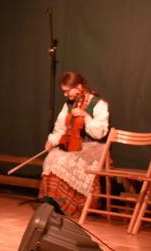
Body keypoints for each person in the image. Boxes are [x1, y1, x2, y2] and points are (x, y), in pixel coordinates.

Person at [40, 71, 110, 215]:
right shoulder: (68, 105)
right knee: (52, 158)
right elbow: (61, 128)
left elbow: (100, 133)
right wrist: (51, 140)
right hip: (73, 145)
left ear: (78, 87)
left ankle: (74, 206)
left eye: (67, 91)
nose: (65, 94)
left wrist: (86, 116)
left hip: (94, 146)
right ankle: (54, 203)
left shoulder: (99, 104)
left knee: (67, 161)